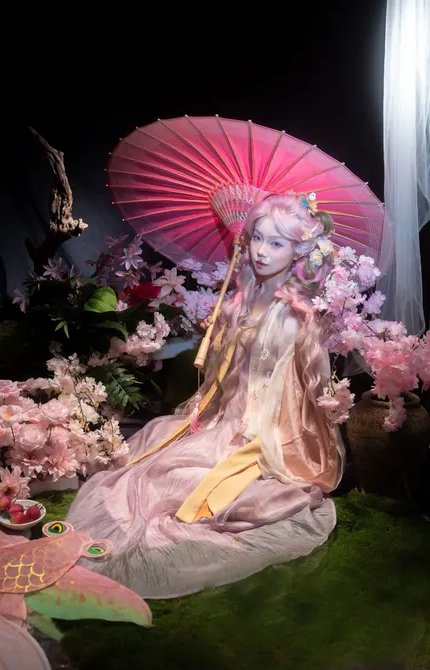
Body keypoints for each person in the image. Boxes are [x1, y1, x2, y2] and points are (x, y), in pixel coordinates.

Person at [67, 194, 345, 599]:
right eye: (257, 238)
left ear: (298, 251)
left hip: (264, 423)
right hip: (228, 410)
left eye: (276, 243)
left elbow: (290, 389)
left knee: (180, 477)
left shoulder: (293, 316)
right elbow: (229, 372)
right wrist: (222, 333)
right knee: (153, 455)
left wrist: (250, 427)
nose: (261, 251)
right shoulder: (245, 296)